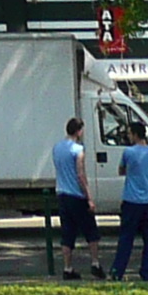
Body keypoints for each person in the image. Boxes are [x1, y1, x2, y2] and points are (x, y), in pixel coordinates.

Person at [108, 115, 148, 281]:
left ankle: (118, 271)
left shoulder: (128, 152)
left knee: (126, 238)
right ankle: (147, 272)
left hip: (131, 200)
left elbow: (121, 170)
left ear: (134, 134)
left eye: (129, 134)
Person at [51, 116, 96, 279]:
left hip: (62, 194)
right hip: (76, 195)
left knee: (67, 233)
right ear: (79, 131)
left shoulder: (57, 148)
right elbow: (80, 175)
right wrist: (89, 197)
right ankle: (95, 263)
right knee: (91, 231)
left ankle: (67, 267)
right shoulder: (78, 149)